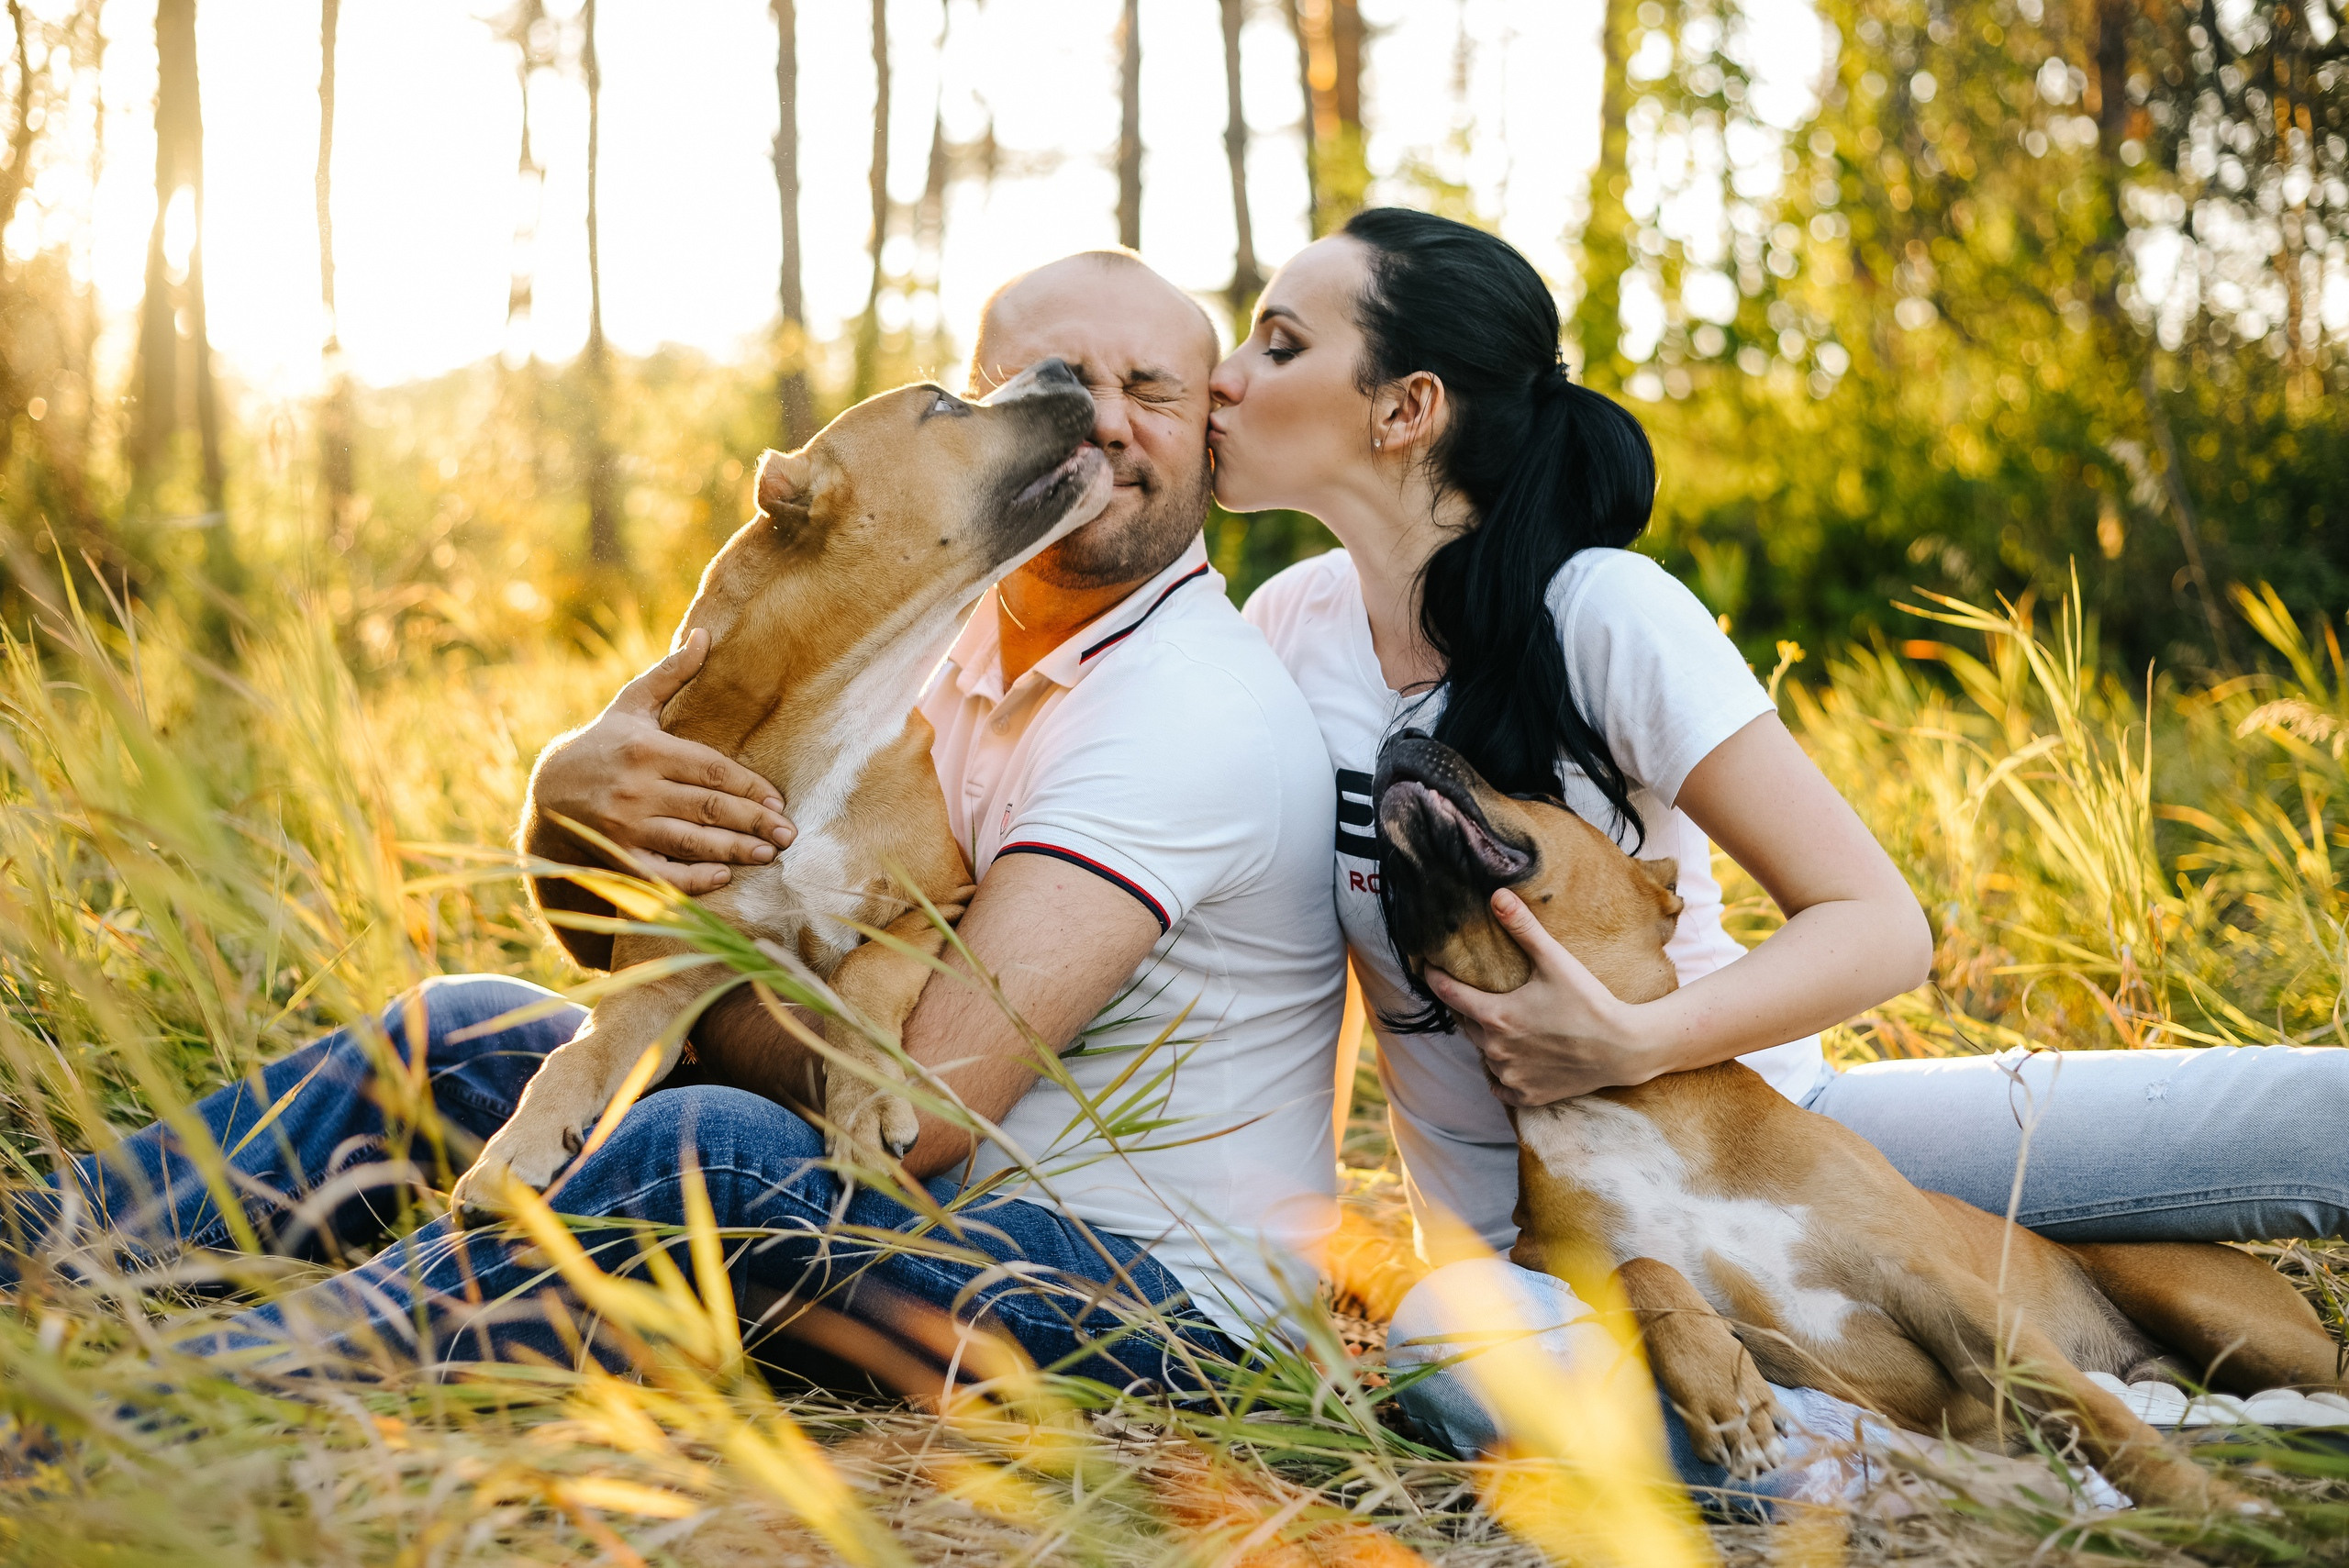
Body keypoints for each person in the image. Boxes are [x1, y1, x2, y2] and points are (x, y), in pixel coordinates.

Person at [3, 250, 1347, 1395]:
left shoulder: (1188, 715)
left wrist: (664, 1002)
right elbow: (615, 937)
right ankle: (31, 1256)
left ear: (1210, 431)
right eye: (1054, 387)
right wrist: (567, 806)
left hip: (1132, 1297)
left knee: (708, 1141)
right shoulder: (934, 634)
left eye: (1152, 390)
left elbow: (919, 1120)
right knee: (459, 1028)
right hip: (932, 1207)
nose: (1101, 421)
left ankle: (167, 1405)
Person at [1218, 207, 2349, 1494]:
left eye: (1278, 341)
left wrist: (1636, 1041)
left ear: (1404, 407)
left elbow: (1878, 922)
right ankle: (1914, 1468)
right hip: (1549, 1244)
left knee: (2326, 1109)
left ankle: (2013, 1411)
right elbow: (1300, 986)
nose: (1226, 374)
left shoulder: (1605, 613)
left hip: (1781, 1129)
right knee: (1441, 1358)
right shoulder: (1282, 634)